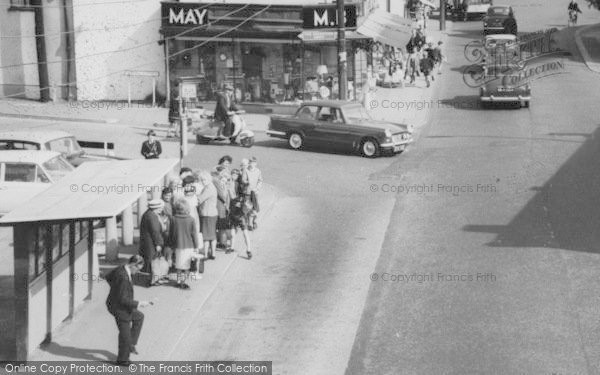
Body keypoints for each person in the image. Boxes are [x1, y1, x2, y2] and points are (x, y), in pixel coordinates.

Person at [105, 255, 151, 366]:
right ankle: (123, 359)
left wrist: (115, 289)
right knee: (125, 334)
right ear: (132, 265)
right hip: (119, 308)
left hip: (115, 304)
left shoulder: (121, 268)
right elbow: (123, 300)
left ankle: (130, 344)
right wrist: (140, 303)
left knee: (139, 317)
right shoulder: (124, 278)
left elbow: (108, 277)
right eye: (137, 269)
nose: (137, 271)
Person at [169, 198, 201, 289]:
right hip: (189, 245)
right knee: (186, 267)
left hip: (177, 245)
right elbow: (194, 234)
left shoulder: (173, 219)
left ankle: (178, 280)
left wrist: (171, 245)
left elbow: (171, 233)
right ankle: (183, 282)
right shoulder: (191, 219)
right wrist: (196, 246)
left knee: (178, 265)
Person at [139, 199, 165, 286]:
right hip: (151, 243)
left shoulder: (148, 214)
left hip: (147, 242)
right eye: (160, 208)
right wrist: (158, 243)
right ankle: (153, 280)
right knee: (153, 262)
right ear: (156, 208)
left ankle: (155, 279)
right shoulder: (152, 216)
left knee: (152, 261)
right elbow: (155, 231)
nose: (162, 209)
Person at [197, 171, 218, 260]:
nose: (202, 181)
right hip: (212, 213)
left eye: (204, 180)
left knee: (205, 236)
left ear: (209, 179)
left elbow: (200, 199)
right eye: (201, 180)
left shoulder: (208, 188)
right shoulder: (211, 187)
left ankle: (205, 254)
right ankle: (213, 253)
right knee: (212, 235)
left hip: (207, 214)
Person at [160, 187, 174, 268]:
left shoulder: (171, 202)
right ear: (163, 195)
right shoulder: (162, 203)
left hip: (170, 226)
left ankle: (168, 262)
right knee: (167, 245)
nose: (168, 197)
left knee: (168, 245)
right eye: (166, 195)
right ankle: (167, 263)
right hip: (165, 227)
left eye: (169, 195)